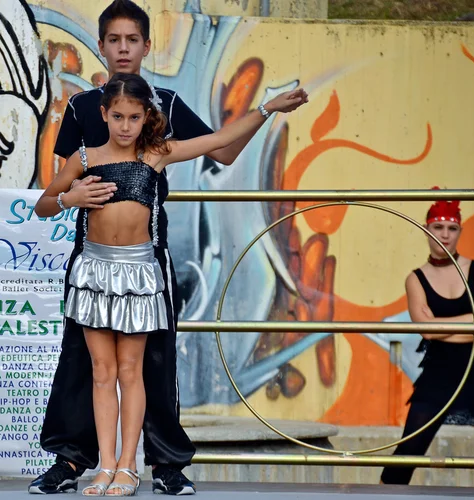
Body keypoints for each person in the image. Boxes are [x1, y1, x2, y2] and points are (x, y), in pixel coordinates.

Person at [29, 0, 309, 496]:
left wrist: (266, 109)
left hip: (144, 259)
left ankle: (161, 464)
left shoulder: (167, 109)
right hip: (90, 261)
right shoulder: (80, 111)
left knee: (149, 366)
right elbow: (51, 191)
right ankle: (76, 461)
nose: (121, 48)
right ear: (101, 46)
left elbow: (222, 147)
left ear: (145, 46)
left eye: (130, 40)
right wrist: (70, 196)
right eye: (112, 40)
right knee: (85, 364)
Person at [380, 194, 474, 485]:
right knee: (405, 457)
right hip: (438, 373)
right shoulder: (416, 278)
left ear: (460, 232)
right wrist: (472, 321)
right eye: (438, 227)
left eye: (451, 228)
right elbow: (425, 330)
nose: (445, 235)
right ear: (427, 230)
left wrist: (444, 325)